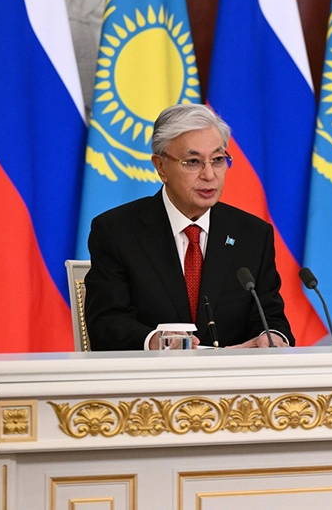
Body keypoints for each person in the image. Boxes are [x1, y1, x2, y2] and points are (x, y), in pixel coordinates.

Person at [85, 104, 293, 350]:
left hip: (232, 374)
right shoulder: (116, 232)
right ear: (161, 167)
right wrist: (156, 342)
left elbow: (270, 317)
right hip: (152, 373)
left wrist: (271, 337)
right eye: (193, 162)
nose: (209, 175)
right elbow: (106, 323)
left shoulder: (252, 234)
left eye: (218, 160)